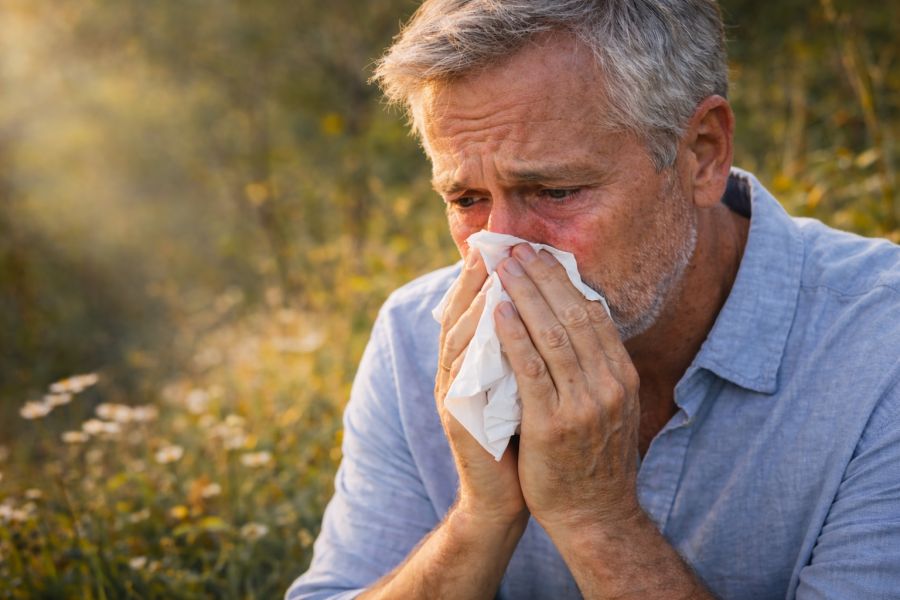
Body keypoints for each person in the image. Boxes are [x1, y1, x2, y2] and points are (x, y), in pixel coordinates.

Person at [287, 1, 900, 598]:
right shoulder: (416, 338)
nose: (504, 251)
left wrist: (596, 520)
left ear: (702, 154)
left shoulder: (879, 352)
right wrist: (479, 520)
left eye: (555, 191)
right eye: (467, 200)